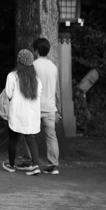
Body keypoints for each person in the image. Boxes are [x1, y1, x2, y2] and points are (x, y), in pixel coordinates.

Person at [1, 49, 42, 176]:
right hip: (32, 112)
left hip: (17, 111)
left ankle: (11, 164)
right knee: (31, 138)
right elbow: (39, 93)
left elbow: (8, 93)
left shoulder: (12, 76)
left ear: (19, 60)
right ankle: (35, 165)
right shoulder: (36, 79)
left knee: (13, 138)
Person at [31, 37, 60, 175]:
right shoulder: (53, 67)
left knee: (30, 135)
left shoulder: (34, 65)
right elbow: (55, 89)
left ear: (36, 50)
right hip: (50, 106)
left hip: (35, 106)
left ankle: (32, 162)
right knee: (51, 136)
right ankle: (53, 165)